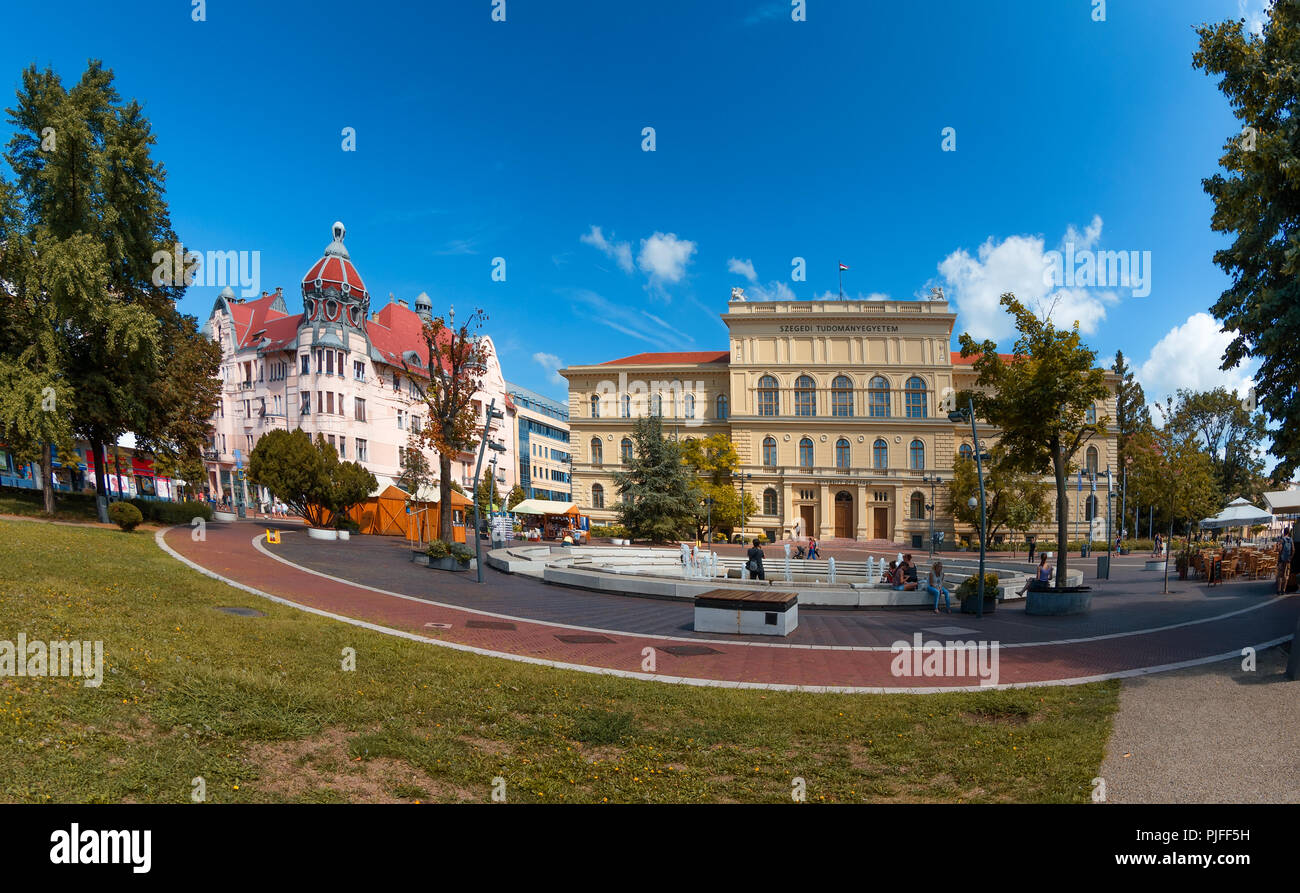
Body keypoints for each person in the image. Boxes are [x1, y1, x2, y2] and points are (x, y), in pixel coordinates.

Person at [1278, 529, 1294, 595]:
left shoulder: (1282, 539)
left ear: (1284, 532)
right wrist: (1290, 558)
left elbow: (1280, 549)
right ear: (1289, 532)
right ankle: (1284, 590)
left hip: (1282, 560)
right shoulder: (1291, 540)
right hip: (1288, 560)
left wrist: (1280, 554)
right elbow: (1293, 550)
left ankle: (1279, 590)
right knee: (1286, 575)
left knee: (1280, 575)